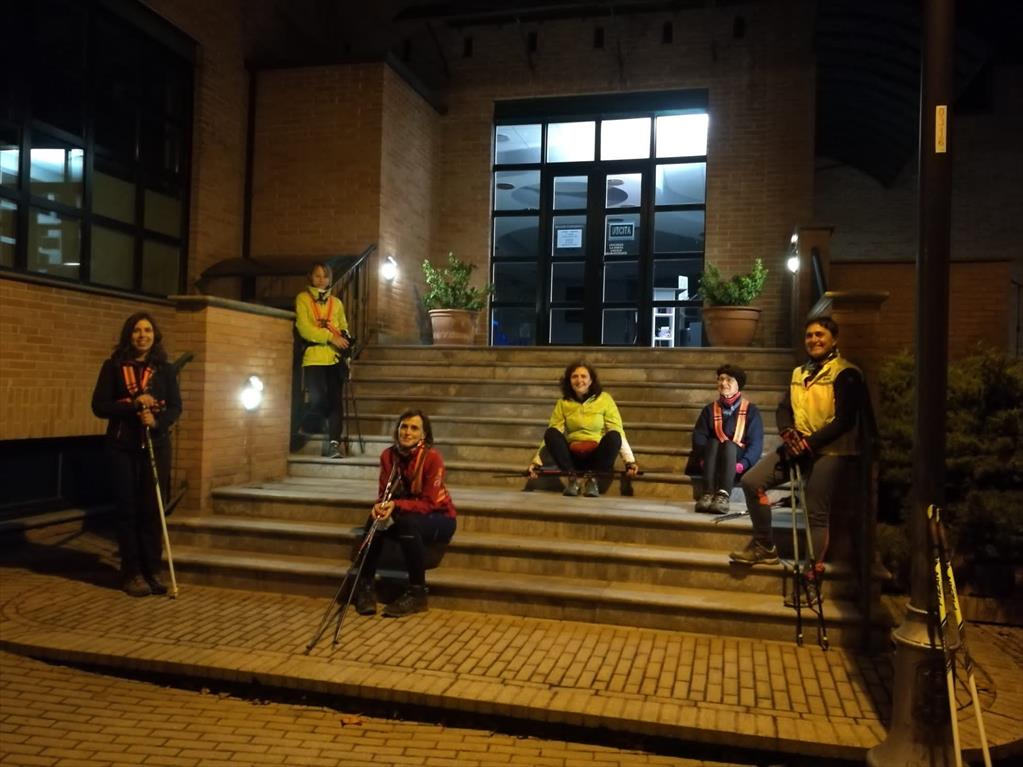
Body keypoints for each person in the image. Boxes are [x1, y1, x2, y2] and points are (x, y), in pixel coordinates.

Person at [730, 316, 864, 570]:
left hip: (831, 450)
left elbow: (845, 420)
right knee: (751, 482)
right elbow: (784, 408)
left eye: (820, 335)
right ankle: (764, 546)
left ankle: (812, 569)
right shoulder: (799, 373)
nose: (813, 340)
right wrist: (787, 431)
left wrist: (808, 443)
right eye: (809, 335)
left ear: (834, 339)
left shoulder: (846, 373)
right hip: (798, 445)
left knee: (814, 508)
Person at [91, 312, 182, 597]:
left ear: (155, 336)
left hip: (156, 446)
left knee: (152, 510)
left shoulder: (165, 370)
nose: (143, 336)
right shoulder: (114, 367)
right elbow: (100, 406)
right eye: (137, 331)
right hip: (123, 447)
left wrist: (156, 421)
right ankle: (131, 572)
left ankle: (152, 569)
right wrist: (133, 405)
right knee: (128, 509)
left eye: (148, 331)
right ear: (128, 335)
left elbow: (175, 407)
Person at [351, 409, 456, 617]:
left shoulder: (432, 458)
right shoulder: (388, 456)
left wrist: (396, 505)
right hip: (405, 513)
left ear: (423, 434)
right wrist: (381, 506)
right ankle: (366, 587)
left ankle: (417, 594)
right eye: (404, 427)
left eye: (414, 428)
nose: (407, 432)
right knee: (375, 520)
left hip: (439, 517)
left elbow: (428, 503)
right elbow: (384, 493)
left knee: (407, 524)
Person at [527, 361, 639, 497]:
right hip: (572, 458)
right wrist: (536, 464)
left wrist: (630, 462)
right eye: (574, 376)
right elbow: (552, 435)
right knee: (551, 433)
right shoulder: (563, 403)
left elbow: (618, 431)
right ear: (569, 381)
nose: (579, 380)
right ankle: (573, 480)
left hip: (597, 457)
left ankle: (593, 481)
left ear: (591, 380)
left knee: (614, 435)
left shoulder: (605, 399)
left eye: (584, 376)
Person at [690, 364, 764, 514]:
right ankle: (707, 493)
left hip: (737, 461)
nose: (723, 383)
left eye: (729, 380)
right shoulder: (709, 410)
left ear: (738, 385)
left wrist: (743, 464)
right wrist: (702, 459)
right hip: (712, 459)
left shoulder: (751, 411)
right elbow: (699, 437)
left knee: (729, 445)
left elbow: (756, 443)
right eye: (721, 379)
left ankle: (723, 495)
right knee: (712, 442)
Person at [294, 262, 350, 458]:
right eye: (317, 275)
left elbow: (343, 326)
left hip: (335, 357)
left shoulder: (337, 303)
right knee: (317, 398)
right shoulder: (303, 298)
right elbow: (304, 328)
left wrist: (345, 338)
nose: (321, 280)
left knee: (336, 401)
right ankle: (310, 423)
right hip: (314, 357)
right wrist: (329, 337)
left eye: (325, 276)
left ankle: (334, 443)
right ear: (310, 277)